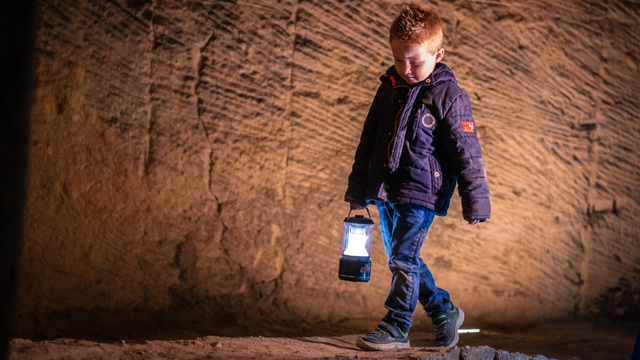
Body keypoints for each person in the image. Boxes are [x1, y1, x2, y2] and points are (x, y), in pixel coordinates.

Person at [344, 5, 491, 351]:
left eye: (415, 61)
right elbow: (368, 141)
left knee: (402, 260)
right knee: (402, 258)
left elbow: (466, 152)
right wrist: (358, 190)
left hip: (421, 192)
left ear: (437, 54)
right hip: (384, 190)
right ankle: (444, 310)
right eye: (398, 60)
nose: (406, 69)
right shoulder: (387, 90)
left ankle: (396, 326)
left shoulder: (450, 97)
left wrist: (476, 201)